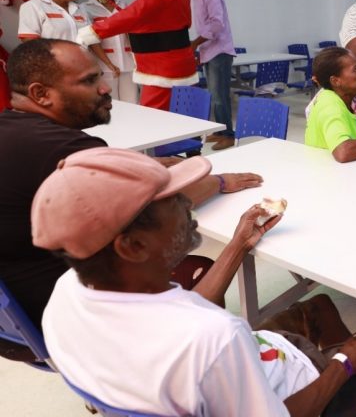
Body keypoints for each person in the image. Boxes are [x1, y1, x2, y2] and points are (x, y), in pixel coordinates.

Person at [34, 147, 356, 417]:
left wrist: (240, 244)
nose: (188, 204)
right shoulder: (214, 339)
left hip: (252, 371)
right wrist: (344, 363)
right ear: (133, 246)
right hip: (291, 399)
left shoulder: (66, 296)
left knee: (321, 305)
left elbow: (188, 312)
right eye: (174, 201)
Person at [0, 39, 262, 345]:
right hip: (67, 325)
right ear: (40, 94)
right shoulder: (64, 149)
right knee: (196, 266)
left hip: (12, 322)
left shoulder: (14, 131)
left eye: (100, 76)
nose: (105, 88)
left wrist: (140, 164)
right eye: (89, 81)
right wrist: (220, 182)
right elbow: (153, 209)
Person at [76, 0, 197, 110]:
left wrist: (92, 31)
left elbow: (132, 15)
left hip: (161, 69)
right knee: (175, 113)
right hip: (177, 64)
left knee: (153, 115)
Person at [175, 0, 237, 150]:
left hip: (219, 51)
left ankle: (229, 135)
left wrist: (195, 43)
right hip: (209, 52)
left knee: (220, 96)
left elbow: (217, 24)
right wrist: (199, 49)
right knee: (214, 95)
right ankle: (221, 131)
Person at [81, 0, 138, 103]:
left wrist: (137, 59)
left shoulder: (122, 5)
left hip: (129, 63)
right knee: (111, 103)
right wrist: (109, 64)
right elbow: (91, 40)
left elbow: (131, 33)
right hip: (104, 66)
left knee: (132, 102)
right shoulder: (86, 8)